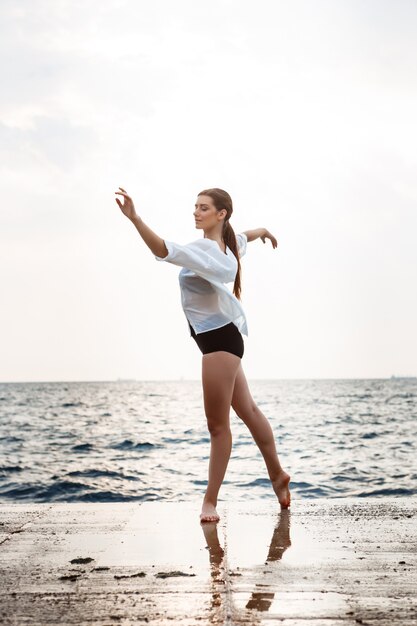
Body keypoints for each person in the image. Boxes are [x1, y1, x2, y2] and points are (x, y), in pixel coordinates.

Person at [115, 186, 291, 523]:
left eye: (204, 207)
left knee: (218, 427)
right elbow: (244, 236)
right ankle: (278, 476)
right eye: (195, 206)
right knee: (249, 411)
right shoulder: (227, 245)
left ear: (220, 213)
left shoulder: (207, 251)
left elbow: (163, 248)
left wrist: (135, 219)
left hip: (218, 343)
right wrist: (263, 232)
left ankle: (210, 502)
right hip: (224, 339)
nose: (196, 212)